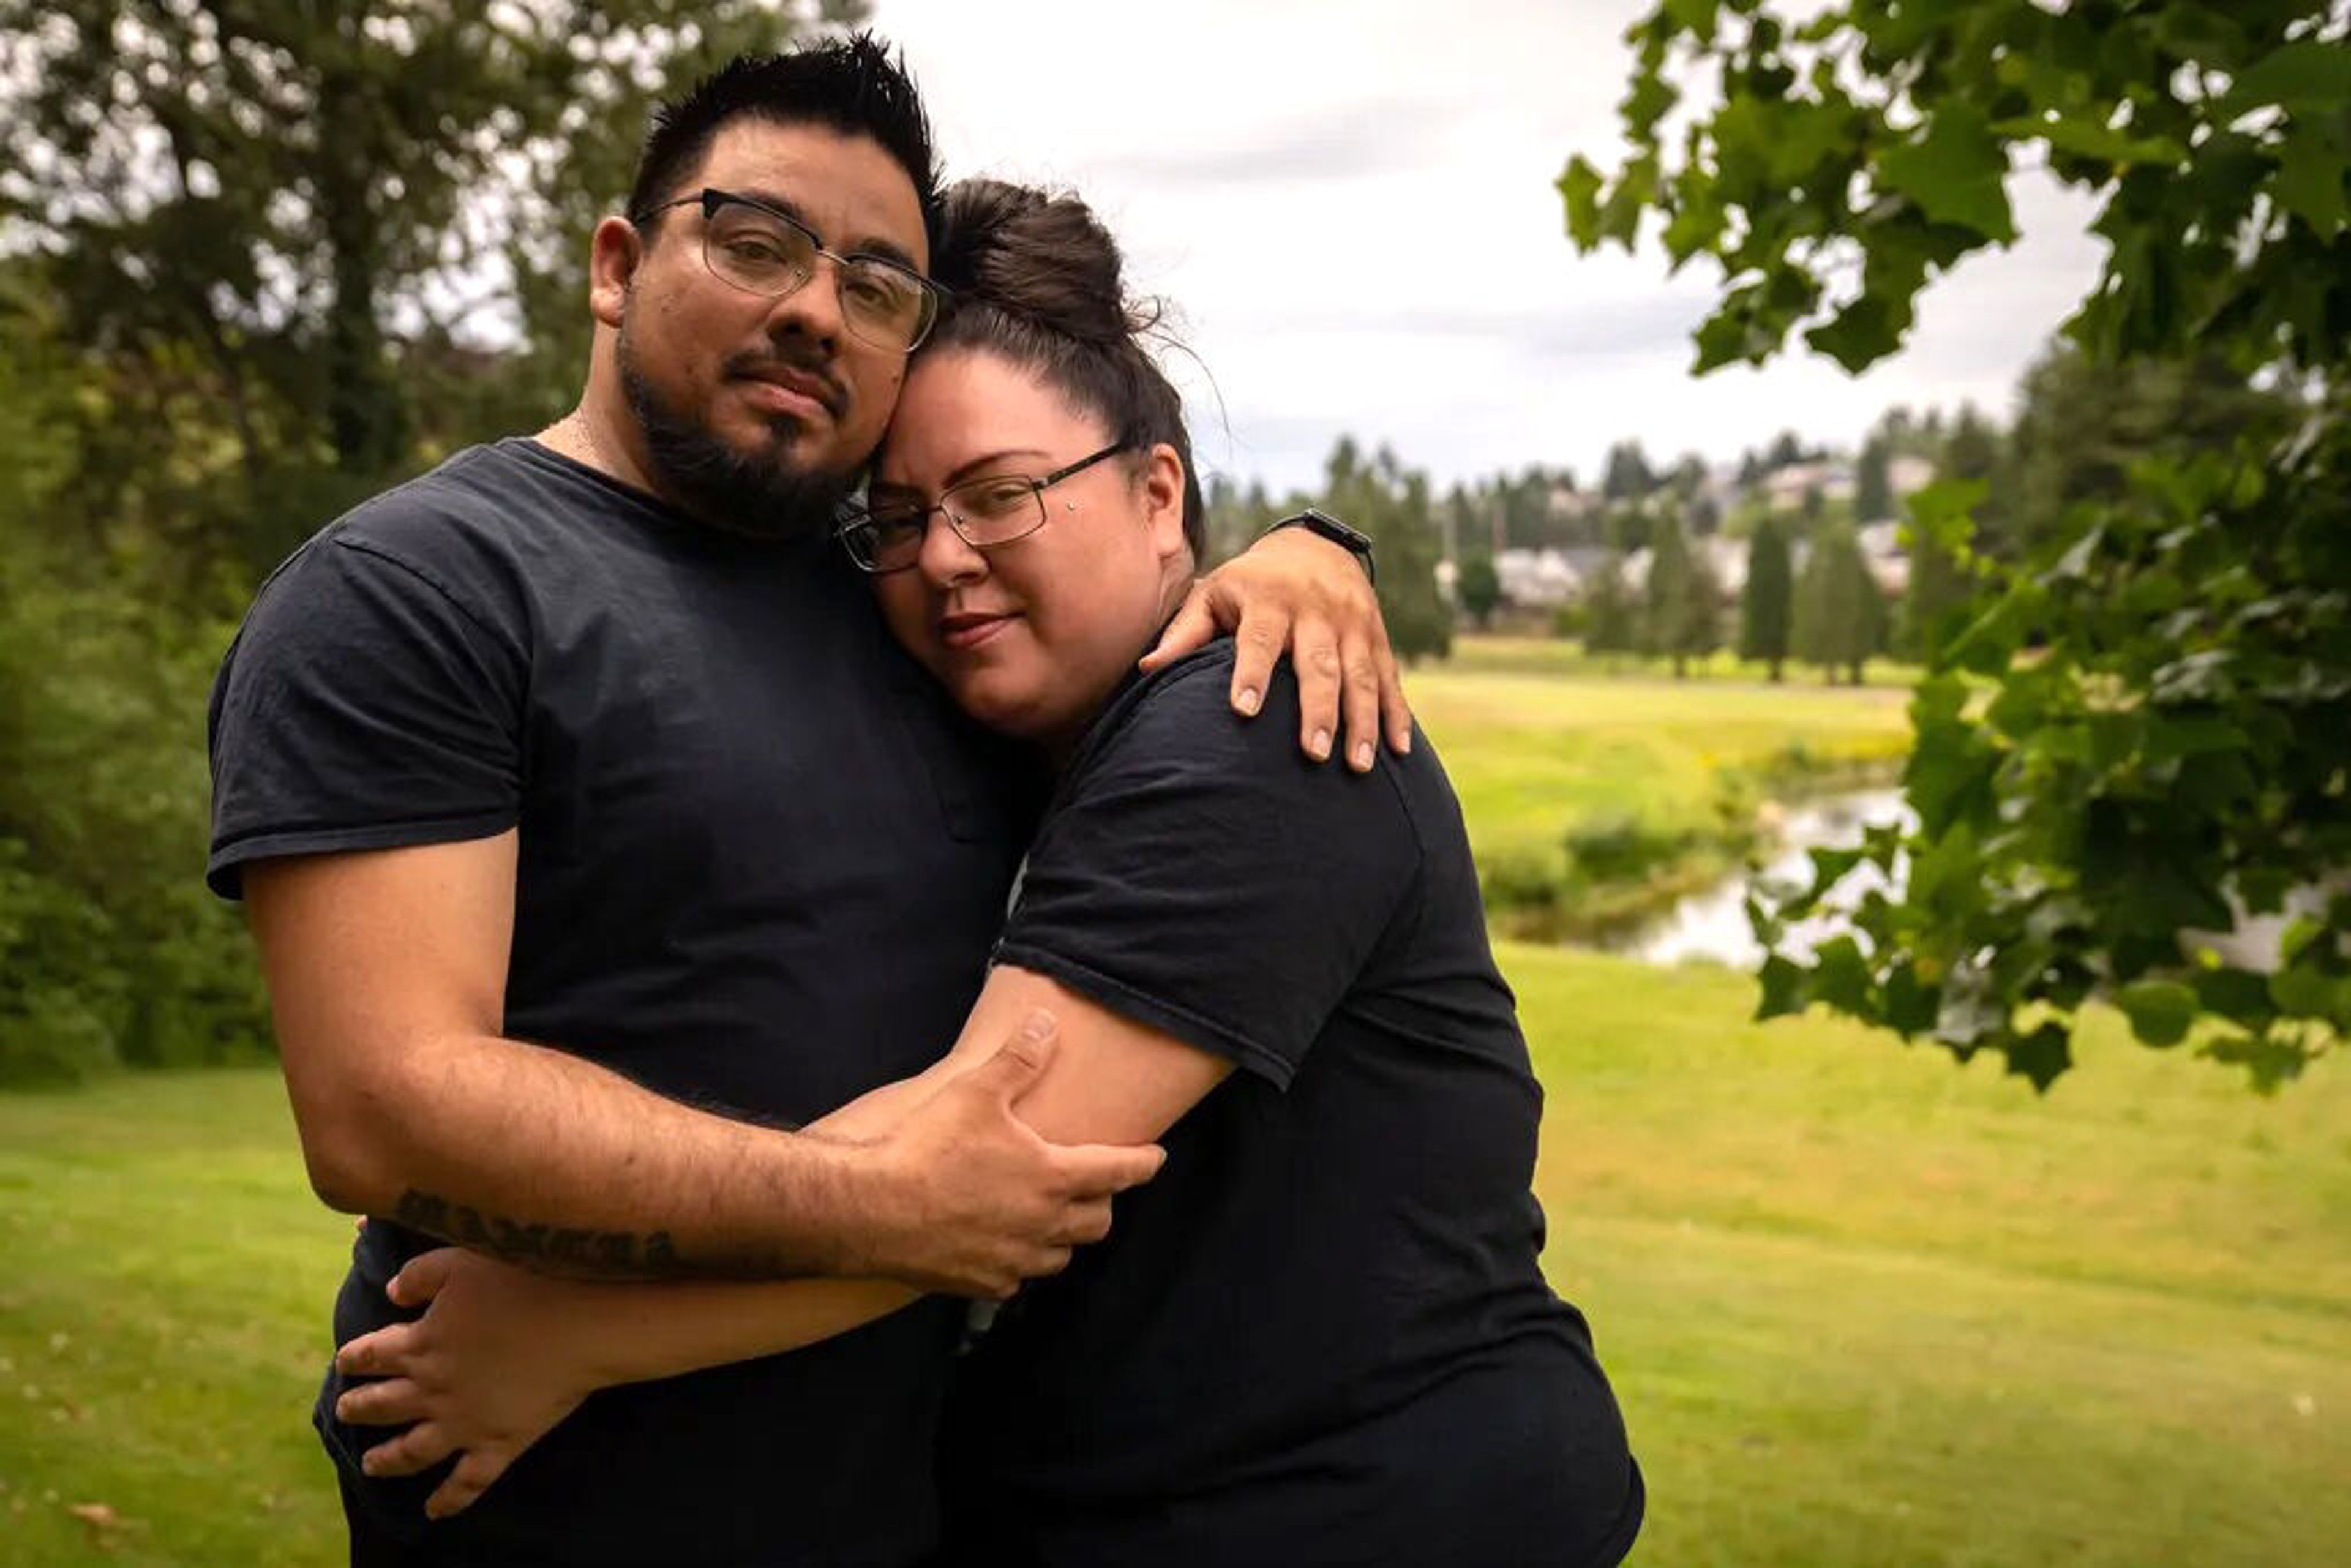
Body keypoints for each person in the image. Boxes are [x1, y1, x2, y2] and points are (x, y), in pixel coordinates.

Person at [206, 38, 1406, 1568]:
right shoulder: (422, 590)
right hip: (550, 1503)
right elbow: (382, 1110)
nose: (812, 309)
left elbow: (1104, 608)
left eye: (878, 285)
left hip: (903, 1511)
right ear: (620, 264)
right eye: (757, 242)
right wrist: (884, 1204)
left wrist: (1303, 552)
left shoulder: (897, 597)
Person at [329, 179, 1644, 1566]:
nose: (943, 557)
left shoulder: (1248, 732)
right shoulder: (1014, 741)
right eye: (896, 518)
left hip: (1350, 1507)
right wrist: (1309, 547)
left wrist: (575, 1332)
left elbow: (980, 1175)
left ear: (1156, 495)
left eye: (1000, 496)